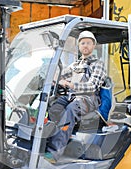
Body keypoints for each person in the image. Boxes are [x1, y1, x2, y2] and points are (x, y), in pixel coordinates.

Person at [45, 31, 107, 162]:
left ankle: (55, 152)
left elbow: (92, 86)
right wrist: (55, 78)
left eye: (88, 43)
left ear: (93, 46)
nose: (85, 46)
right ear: (79, 46)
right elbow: (62, 75)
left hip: (89, 99)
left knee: (71, 110)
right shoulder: (75, 65)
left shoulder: (98, 64)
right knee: (53, 107)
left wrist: (71, 85)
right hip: (72, 96)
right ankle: (46, 142)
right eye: (82, 43)